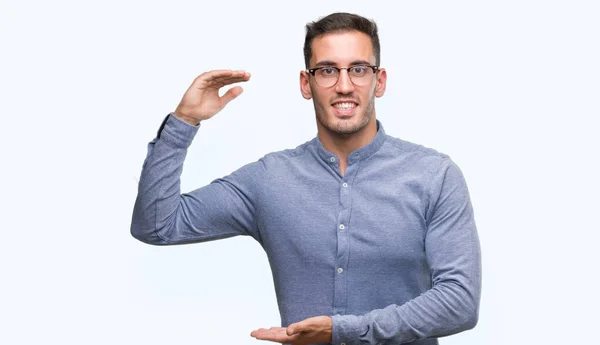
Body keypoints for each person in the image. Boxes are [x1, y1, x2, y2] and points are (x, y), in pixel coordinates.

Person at [130, 12, 481, 345]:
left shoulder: (434, 175)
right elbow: (157, 225)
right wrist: (183, 121)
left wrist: (343, 331)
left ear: (380, 80)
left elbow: (460, 301)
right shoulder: (269, 180)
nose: (344, 85)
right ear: (306, 83)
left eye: (358, 69)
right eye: (327, 70)